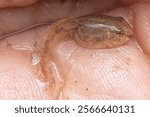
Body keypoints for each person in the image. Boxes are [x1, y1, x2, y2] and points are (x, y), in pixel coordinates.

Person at [0, 0, 150, 99]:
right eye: (119, 33)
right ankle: (45, 69)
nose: (127, 33)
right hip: (74, 29)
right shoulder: (73, 30)